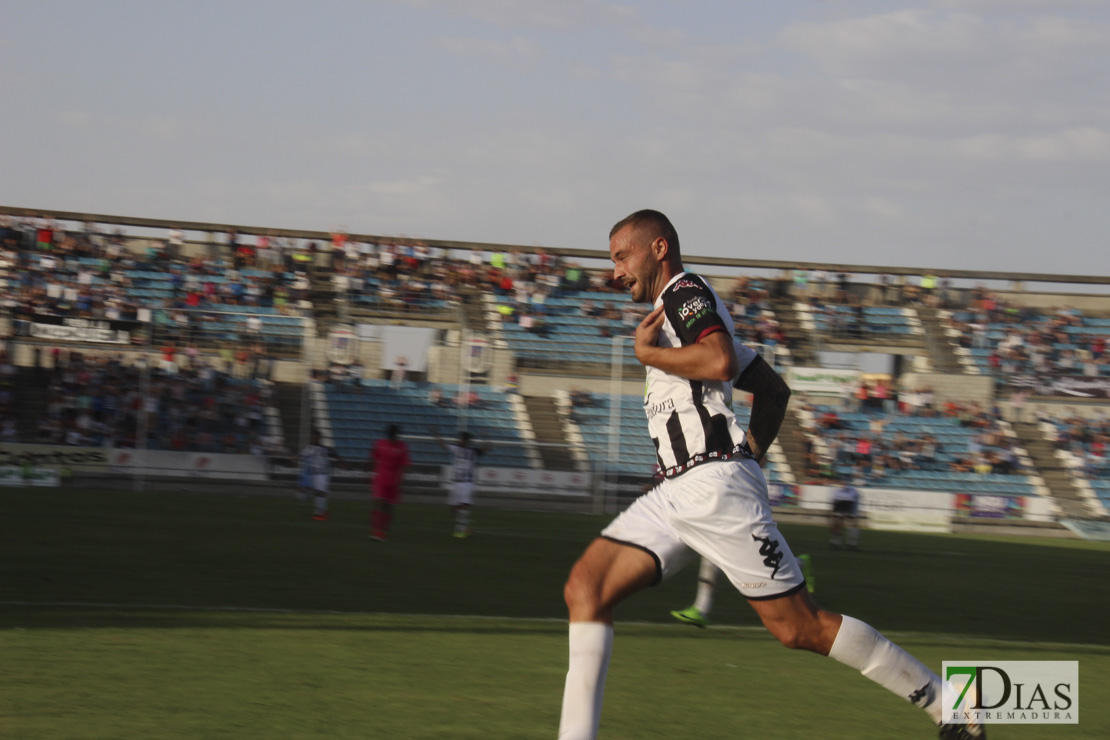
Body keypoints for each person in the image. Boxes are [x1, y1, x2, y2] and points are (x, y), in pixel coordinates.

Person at [557, 210, 982, 740]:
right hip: (680, 489)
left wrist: (650, 357)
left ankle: (953, 706)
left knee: (798, 626)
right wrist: (749, 453)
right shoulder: (682, 312)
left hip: (710, 488)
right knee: (586, 588)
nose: (616, 272)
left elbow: (717, 362)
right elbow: (773, 389)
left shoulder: (685, 294)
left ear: (658, 248)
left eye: (622, 256)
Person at [434, 428, 487, 538]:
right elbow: (443, 445)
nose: (459, 441)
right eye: (459, 439)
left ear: (466, 441)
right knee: (456, 509)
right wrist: (437, 434)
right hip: (457, 483)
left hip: (467, 483)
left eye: (461, 439)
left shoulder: (473, 452)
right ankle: (465, 528)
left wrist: (485, 437)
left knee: (464, 505)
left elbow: (488, 448)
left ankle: (460, 530)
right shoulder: (456, 449)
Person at [369, 424, 410, 542]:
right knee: (378, 503)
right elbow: (374, 458)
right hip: (381, 477)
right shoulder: (380, 443)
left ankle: (382, 533)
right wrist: (370, 473)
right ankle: (375, 531)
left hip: (394, 480)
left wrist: (400, 478)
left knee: (388, 507)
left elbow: (405, 464)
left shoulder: (402, 447)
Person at [299, 430, 337, 521]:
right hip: (313, 473)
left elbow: (334, 453)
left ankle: (320, 513)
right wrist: (295, 459)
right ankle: (323, 511)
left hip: (322, 473)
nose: (314, 438)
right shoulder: (309, 448)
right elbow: (301, 455)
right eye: (313, 437)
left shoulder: (324, 448)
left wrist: (341, 461)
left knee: (320, 492)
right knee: (317, 492)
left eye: (316, 437)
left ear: (320, 438)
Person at [830, 482, 862, 550]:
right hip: (841, 502)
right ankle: (836, 541)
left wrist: (848, 514)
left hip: (852, 502)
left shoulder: (853, 492)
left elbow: (850, 502)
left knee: (853, 521)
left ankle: (852, 543)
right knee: (837, 521)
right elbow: (835, 504)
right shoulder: (837, 492)